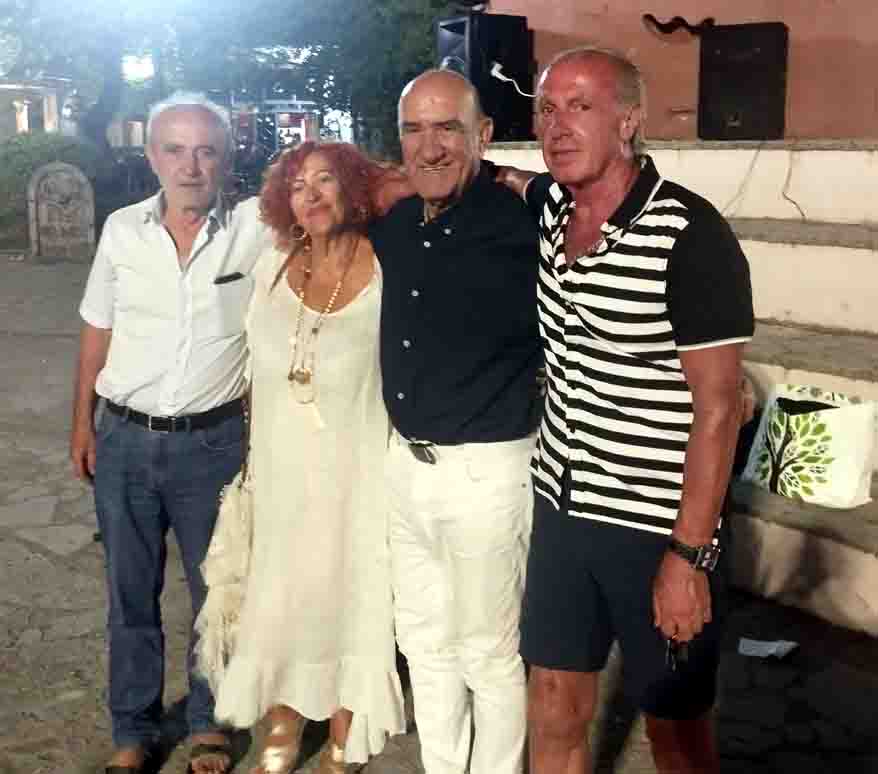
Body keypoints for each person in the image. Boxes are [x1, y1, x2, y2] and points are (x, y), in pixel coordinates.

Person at [500, 47, 754, 773]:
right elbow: (503, 177)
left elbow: (718, 410)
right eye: (547, 109)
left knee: (674, 730)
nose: (558, 126)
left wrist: (687, 558)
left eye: (581, 107)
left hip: (656, 524)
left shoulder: (690, 234)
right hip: (562, 508)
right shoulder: (553, 206)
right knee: (552, 702)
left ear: (629, 120)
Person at [70, 93, 273, 774]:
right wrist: (81, 425)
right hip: (124, 440)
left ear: (227, 158)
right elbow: (97, 330)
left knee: (219, 593)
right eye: (175, 150)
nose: (191, 166)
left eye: (206, 151)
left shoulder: (254, 227)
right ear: (152, 156)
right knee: (130, 595)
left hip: (213, 445)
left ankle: (210, 723)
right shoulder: (122, 231)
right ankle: (132, 728)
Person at [196, 141, 405, 774]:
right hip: (280, 475)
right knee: (281, 599)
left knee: (350, 598)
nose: (310, 195)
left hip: (357, 476)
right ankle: (283, 720)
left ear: (353, 189)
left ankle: (345, 724)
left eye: (325, 181)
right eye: (296, 186)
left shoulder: (387, 269)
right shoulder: (271, 265)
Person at [367, 69, 543, 774]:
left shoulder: (523, 224)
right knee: (424, 645)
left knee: (489, 654)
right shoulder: (396, 224)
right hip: (405, 467)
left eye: (448, 128)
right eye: (414, 129)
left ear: (484, 135)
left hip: (487, 473)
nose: (430, 146)